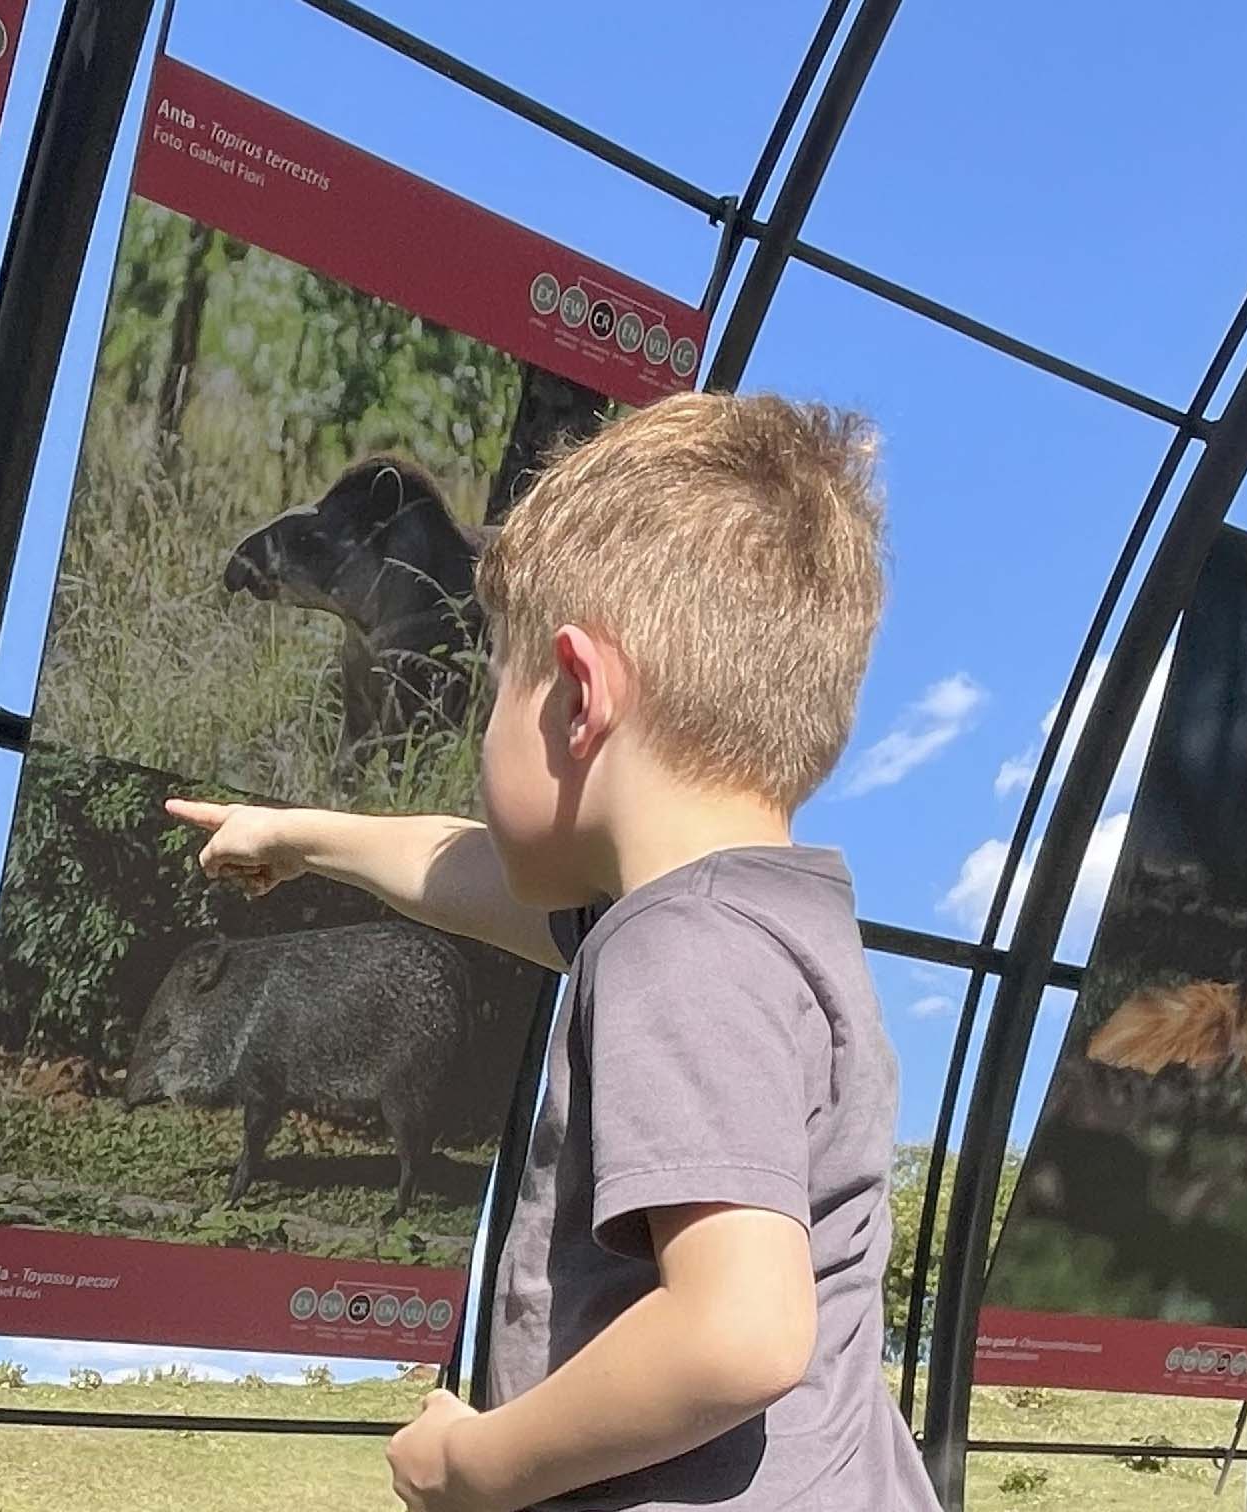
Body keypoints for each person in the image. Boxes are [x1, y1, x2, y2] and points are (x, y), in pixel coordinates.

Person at [169, 392, 940, 1511]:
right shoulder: (756, 923)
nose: (484, 728)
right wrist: (300, 837)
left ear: (578, 698)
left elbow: (736, 1331)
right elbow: (472, 870)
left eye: (496, 688)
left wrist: (478, 1465)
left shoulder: (679, 952)